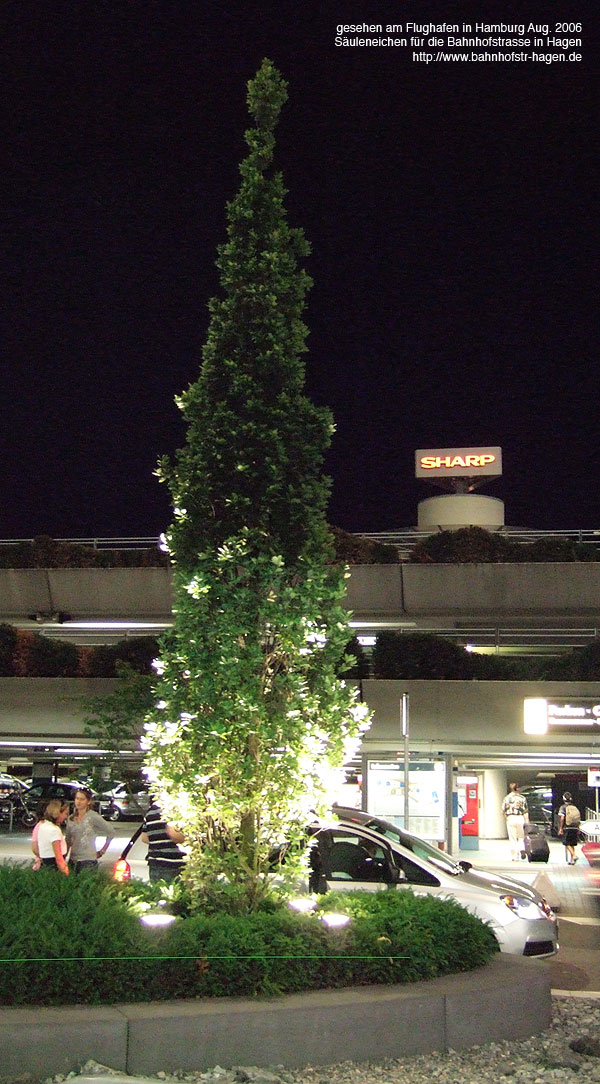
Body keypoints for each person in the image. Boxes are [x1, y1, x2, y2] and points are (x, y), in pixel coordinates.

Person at [65, 787, 115, 873]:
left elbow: (111, 831)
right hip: (73, 859)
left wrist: (102, 851)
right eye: (77, 798)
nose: (78, 802)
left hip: (88, 860)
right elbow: (68, 840)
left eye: (82, 799)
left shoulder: (93, 817)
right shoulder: (71, 818)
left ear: (88, 802)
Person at [141, 800, 186, 882]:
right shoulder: (175, 807)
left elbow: (144, 838)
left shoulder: (150, 811)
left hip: (155, 864)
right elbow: (173, 833)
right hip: (174, 865)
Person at [37, 799, 70, 874]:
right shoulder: (54, 830)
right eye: (65, 813)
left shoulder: (43, 825)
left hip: (46, 862)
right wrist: (65, 871)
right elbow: (58, 857)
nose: (66, 816)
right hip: (54, 866)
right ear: (58, 813)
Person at [501, 782, 528, 861]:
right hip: (520, 818)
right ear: (518, 788)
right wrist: (527, 822)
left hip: (511, 818)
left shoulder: (507, 798)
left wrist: (507, 818)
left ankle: (515, 857)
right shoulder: (522, 798)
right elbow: (525, 811)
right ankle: (522, 848)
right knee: (521, 837)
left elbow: (503, 811)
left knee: (513, 838)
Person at [558, 791, 581, 865]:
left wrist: (560, 828)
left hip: (567, 827)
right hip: (575, 827)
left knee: (566, 843)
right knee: (572, 843)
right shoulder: (574, 807)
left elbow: (562, 818)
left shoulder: (563, 807)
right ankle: (572, 860)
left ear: (563, 799)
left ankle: (574, 855)